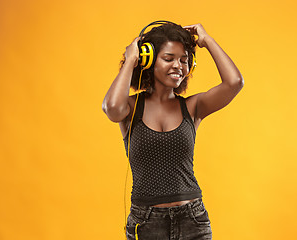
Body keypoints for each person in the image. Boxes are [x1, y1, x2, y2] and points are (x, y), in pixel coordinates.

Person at [102, 21, 244, 240]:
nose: (178, 66)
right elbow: (111, 109)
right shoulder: (130, 107)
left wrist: (207, 40)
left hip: (192, 219)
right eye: (169, 59)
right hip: (146, 221)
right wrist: (131, 59)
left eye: (184, 60)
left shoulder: (192, 106)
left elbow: (234, 82)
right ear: (148, 60)